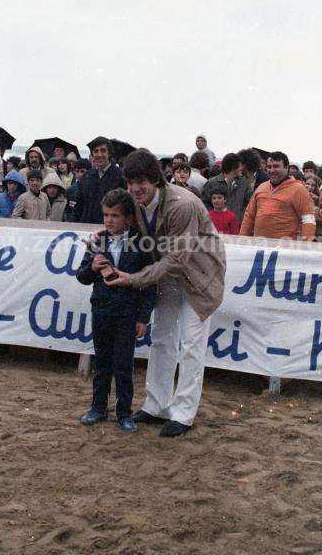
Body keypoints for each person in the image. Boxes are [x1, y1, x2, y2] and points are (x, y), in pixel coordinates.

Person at [104, 149, 226, 438]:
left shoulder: (182, 204)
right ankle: (156, 405)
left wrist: (133, 279)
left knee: (191, 344)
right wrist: (100, 242)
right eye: (131, 182)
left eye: (141, 181)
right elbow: (126, 232)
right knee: (161, 337)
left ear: (156, 179)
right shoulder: (136, 201)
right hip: (170, 275)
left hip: (201, 278)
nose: (135, 188)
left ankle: (183, 414)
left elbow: (176, 260)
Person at [77, 188, 156, 432]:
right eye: (106, 215)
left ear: (129, 218)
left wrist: (143, 318)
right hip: (101, 311)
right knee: (102, 364)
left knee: (123, 366)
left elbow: (149, 284)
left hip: (127, 313)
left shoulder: (143, 245)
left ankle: (124, 413)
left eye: (115, 216)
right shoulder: (96, 242)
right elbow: (82, 277)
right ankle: (98, 408)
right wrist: (92, 266)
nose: (109, 220)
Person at [240, 151, 316, 240]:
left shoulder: (299, 189)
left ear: (286, 167)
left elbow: (308, 220)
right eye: (269, 167)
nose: (272, 170)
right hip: (260, 248)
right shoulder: (261, 187)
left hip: (285, 250)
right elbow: (249, 216)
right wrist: (242, 240)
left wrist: (305, 247)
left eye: (276, 166)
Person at [73, 137, 125, 224]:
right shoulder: (87, 176)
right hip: (86, 229)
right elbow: (79, 206)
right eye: (96, 151)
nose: (99, 154)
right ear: (92, 154)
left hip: (110, 229)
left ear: (109, 153)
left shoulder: (120, 176)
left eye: (103, 150)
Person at [201, 153, 251, 224]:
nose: (242, 168)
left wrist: (242, 216)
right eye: (240, 165)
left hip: (237, 226)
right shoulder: (212, 183)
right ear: (233, 167)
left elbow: (249, 203)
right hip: (217, 226)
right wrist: (214, 217)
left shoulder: (244, 183)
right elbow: (204, 204)